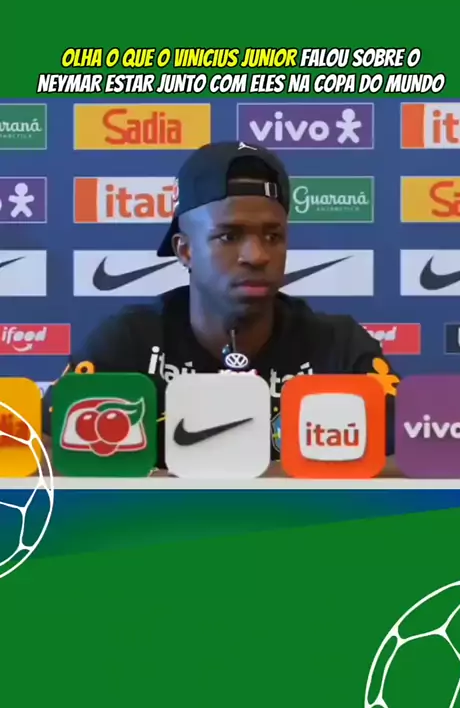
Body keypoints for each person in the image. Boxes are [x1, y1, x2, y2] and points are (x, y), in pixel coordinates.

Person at [43, 141, 398, 472]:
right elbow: (38, 448)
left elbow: (413, 460)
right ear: (185, 250)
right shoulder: (127, 344)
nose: (257, 255)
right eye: (229, 236)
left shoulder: (339, 347)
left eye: (273, 236)